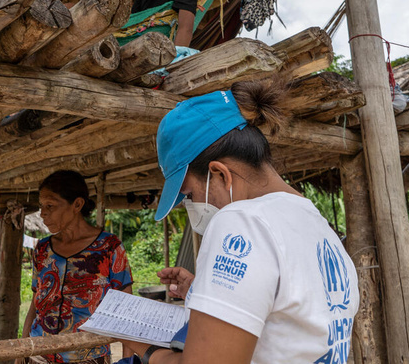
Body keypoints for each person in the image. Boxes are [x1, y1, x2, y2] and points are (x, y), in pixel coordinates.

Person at [120, 81, 359, 364]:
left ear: (220, 175)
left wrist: (144, 348)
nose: (191, 206)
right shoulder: (316, 222)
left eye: (189, 195)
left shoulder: (241, 220)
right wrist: (203, 290)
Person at [17, 170, 134, 364]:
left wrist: (128, 362)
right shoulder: (43, 249)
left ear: (77, 205)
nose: (43, 213)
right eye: (41, 206)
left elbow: (127, 311)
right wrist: (22, 353)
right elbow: (35, 303)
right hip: (39, 356)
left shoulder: (109, 248)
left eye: (50, 205)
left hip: (88, 356)